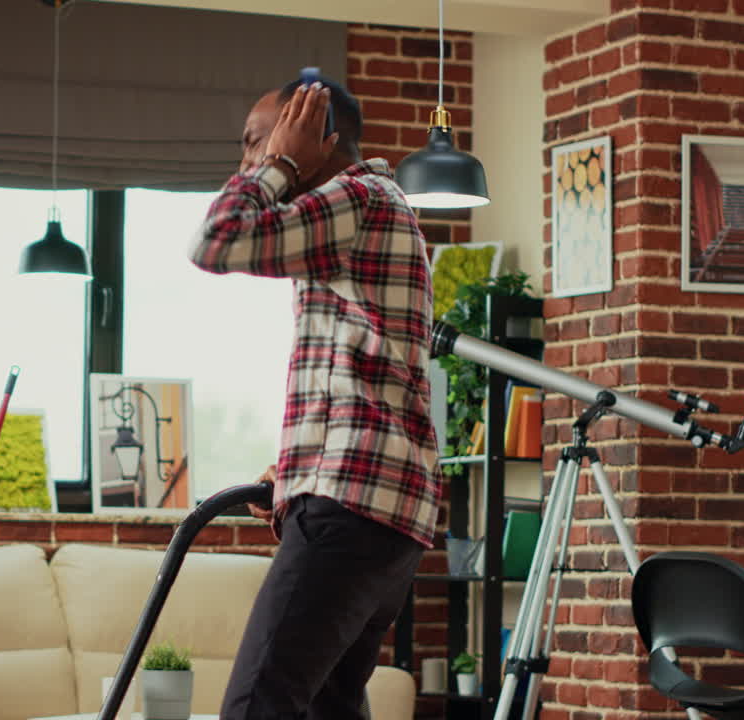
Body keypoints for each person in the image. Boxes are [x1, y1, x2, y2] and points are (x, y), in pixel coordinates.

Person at [187, 76, 442, 720]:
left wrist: (280, 165)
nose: (246, 162)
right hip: (381, 510)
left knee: (257, 707)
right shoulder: (371, 207)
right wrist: (297, 471)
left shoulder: (353, 198)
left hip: (352, 505)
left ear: (314, 130)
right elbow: (359, 367)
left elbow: (216, 242)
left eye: (256, 142)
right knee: (328, 710)